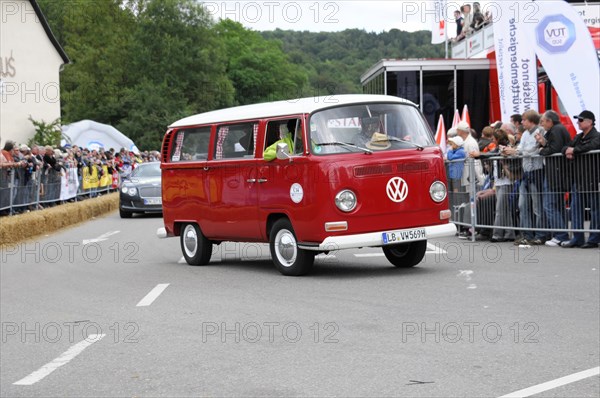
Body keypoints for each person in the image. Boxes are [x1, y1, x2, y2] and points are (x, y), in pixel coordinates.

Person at [503, 110, 546, 245]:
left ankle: (540, 234)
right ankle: (526, 234)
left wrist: (515, 151)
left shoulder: (540, 131)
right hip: (525, 173)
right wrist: (510, 151)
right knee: (522, 205)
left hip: (536, 171)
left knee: (537, 207)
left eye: (524, 119)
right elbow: (522, 149)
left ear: (531, 120)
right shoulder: (526, 134)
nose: (522, 122)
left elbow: (534, 149)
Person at [560, 110, 600, 249]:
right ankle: (577, 238)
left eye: (581, 120)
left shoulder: (597, 136)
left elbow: (592, 146)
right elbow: (564, 147)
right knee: (576, 209)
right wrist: (568, 150)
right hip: (578, 179)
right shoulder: (578, 137)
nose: (578, 122)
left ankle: (594, 239)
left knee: (595, 210)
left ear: (590, 122)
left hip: (592, 179)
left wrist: (574, 150)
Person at [536, 110, 572, 246]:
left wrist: (541, 150)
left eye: (543, 121)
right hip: (556, 172)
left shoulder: (556, 130)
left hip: (555, 173)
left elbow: (554, 149)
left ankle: (560, 235)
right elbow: (554, 147)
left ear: (550, 121)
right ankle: (561, 235)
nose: (542, 124)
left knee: (549, 205)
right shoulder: (558, 129)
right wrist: (544, 143)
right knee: (557, 205)